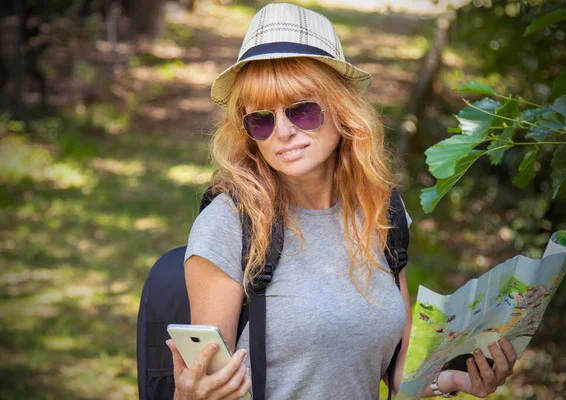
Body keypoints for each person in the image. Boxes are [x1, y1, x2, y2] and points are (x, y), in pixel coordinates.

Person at [165, 3, 517, 399]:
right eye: (261, 119)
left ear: (342, 108)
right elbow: (210, 384)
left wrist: (454, 379)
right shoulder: (229, 224)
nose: (283, 132)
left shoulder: (382, 212)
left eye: (302, 110)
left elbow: (396, 366)